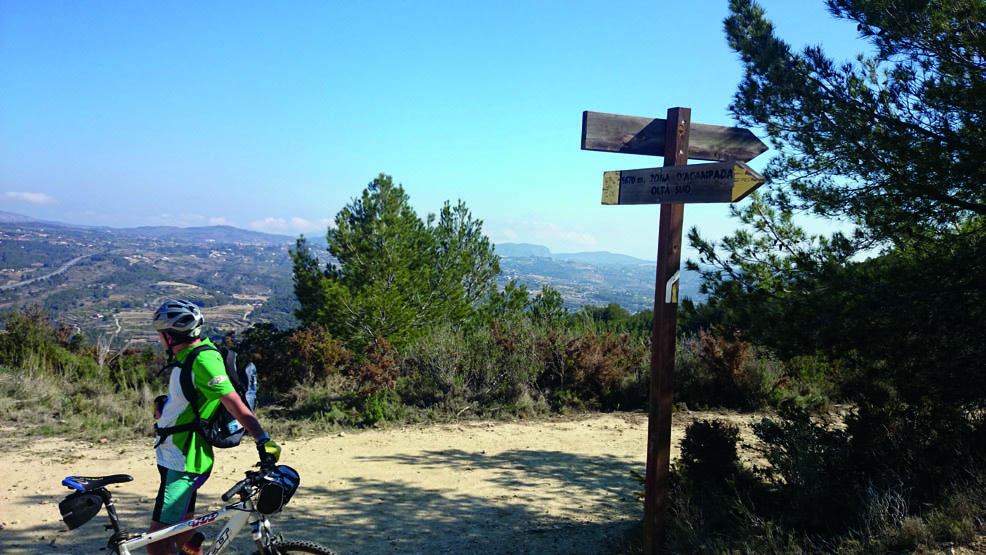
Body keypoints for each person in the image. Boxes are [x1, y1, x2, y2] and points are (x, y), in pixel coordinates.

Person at [148, 299, 281, 555]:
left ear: (169, 335)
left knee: (157, 544)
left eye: (159, 335)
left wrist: (262, 438)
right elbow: (193, 399)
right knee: (180, 524)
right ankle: (191, 543)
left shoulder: (202, 361)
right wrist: (167, 405)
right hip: (173, 454)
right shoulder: (186, 357)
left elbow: (234, 403)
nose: (159, 339)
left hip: (184, 459)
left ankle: (188, 543)